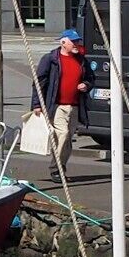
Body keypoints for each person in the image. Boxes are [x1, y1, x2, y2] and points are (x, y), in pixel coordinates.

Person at [30, 28, 87, 183]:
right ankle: (56, 169)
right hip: (57, 106)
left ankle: (61, 166)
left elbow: (90, 78)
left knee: (67, 139)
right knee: (62, 135)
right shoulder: (51, 59)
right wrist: (36, 104)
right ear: (63, 42)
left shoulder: (81, 60)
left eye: (77, 41)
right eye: (73, 41)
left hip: (74, 106)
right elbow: (39, 82)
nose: (77, 44)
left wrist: (86, 84)